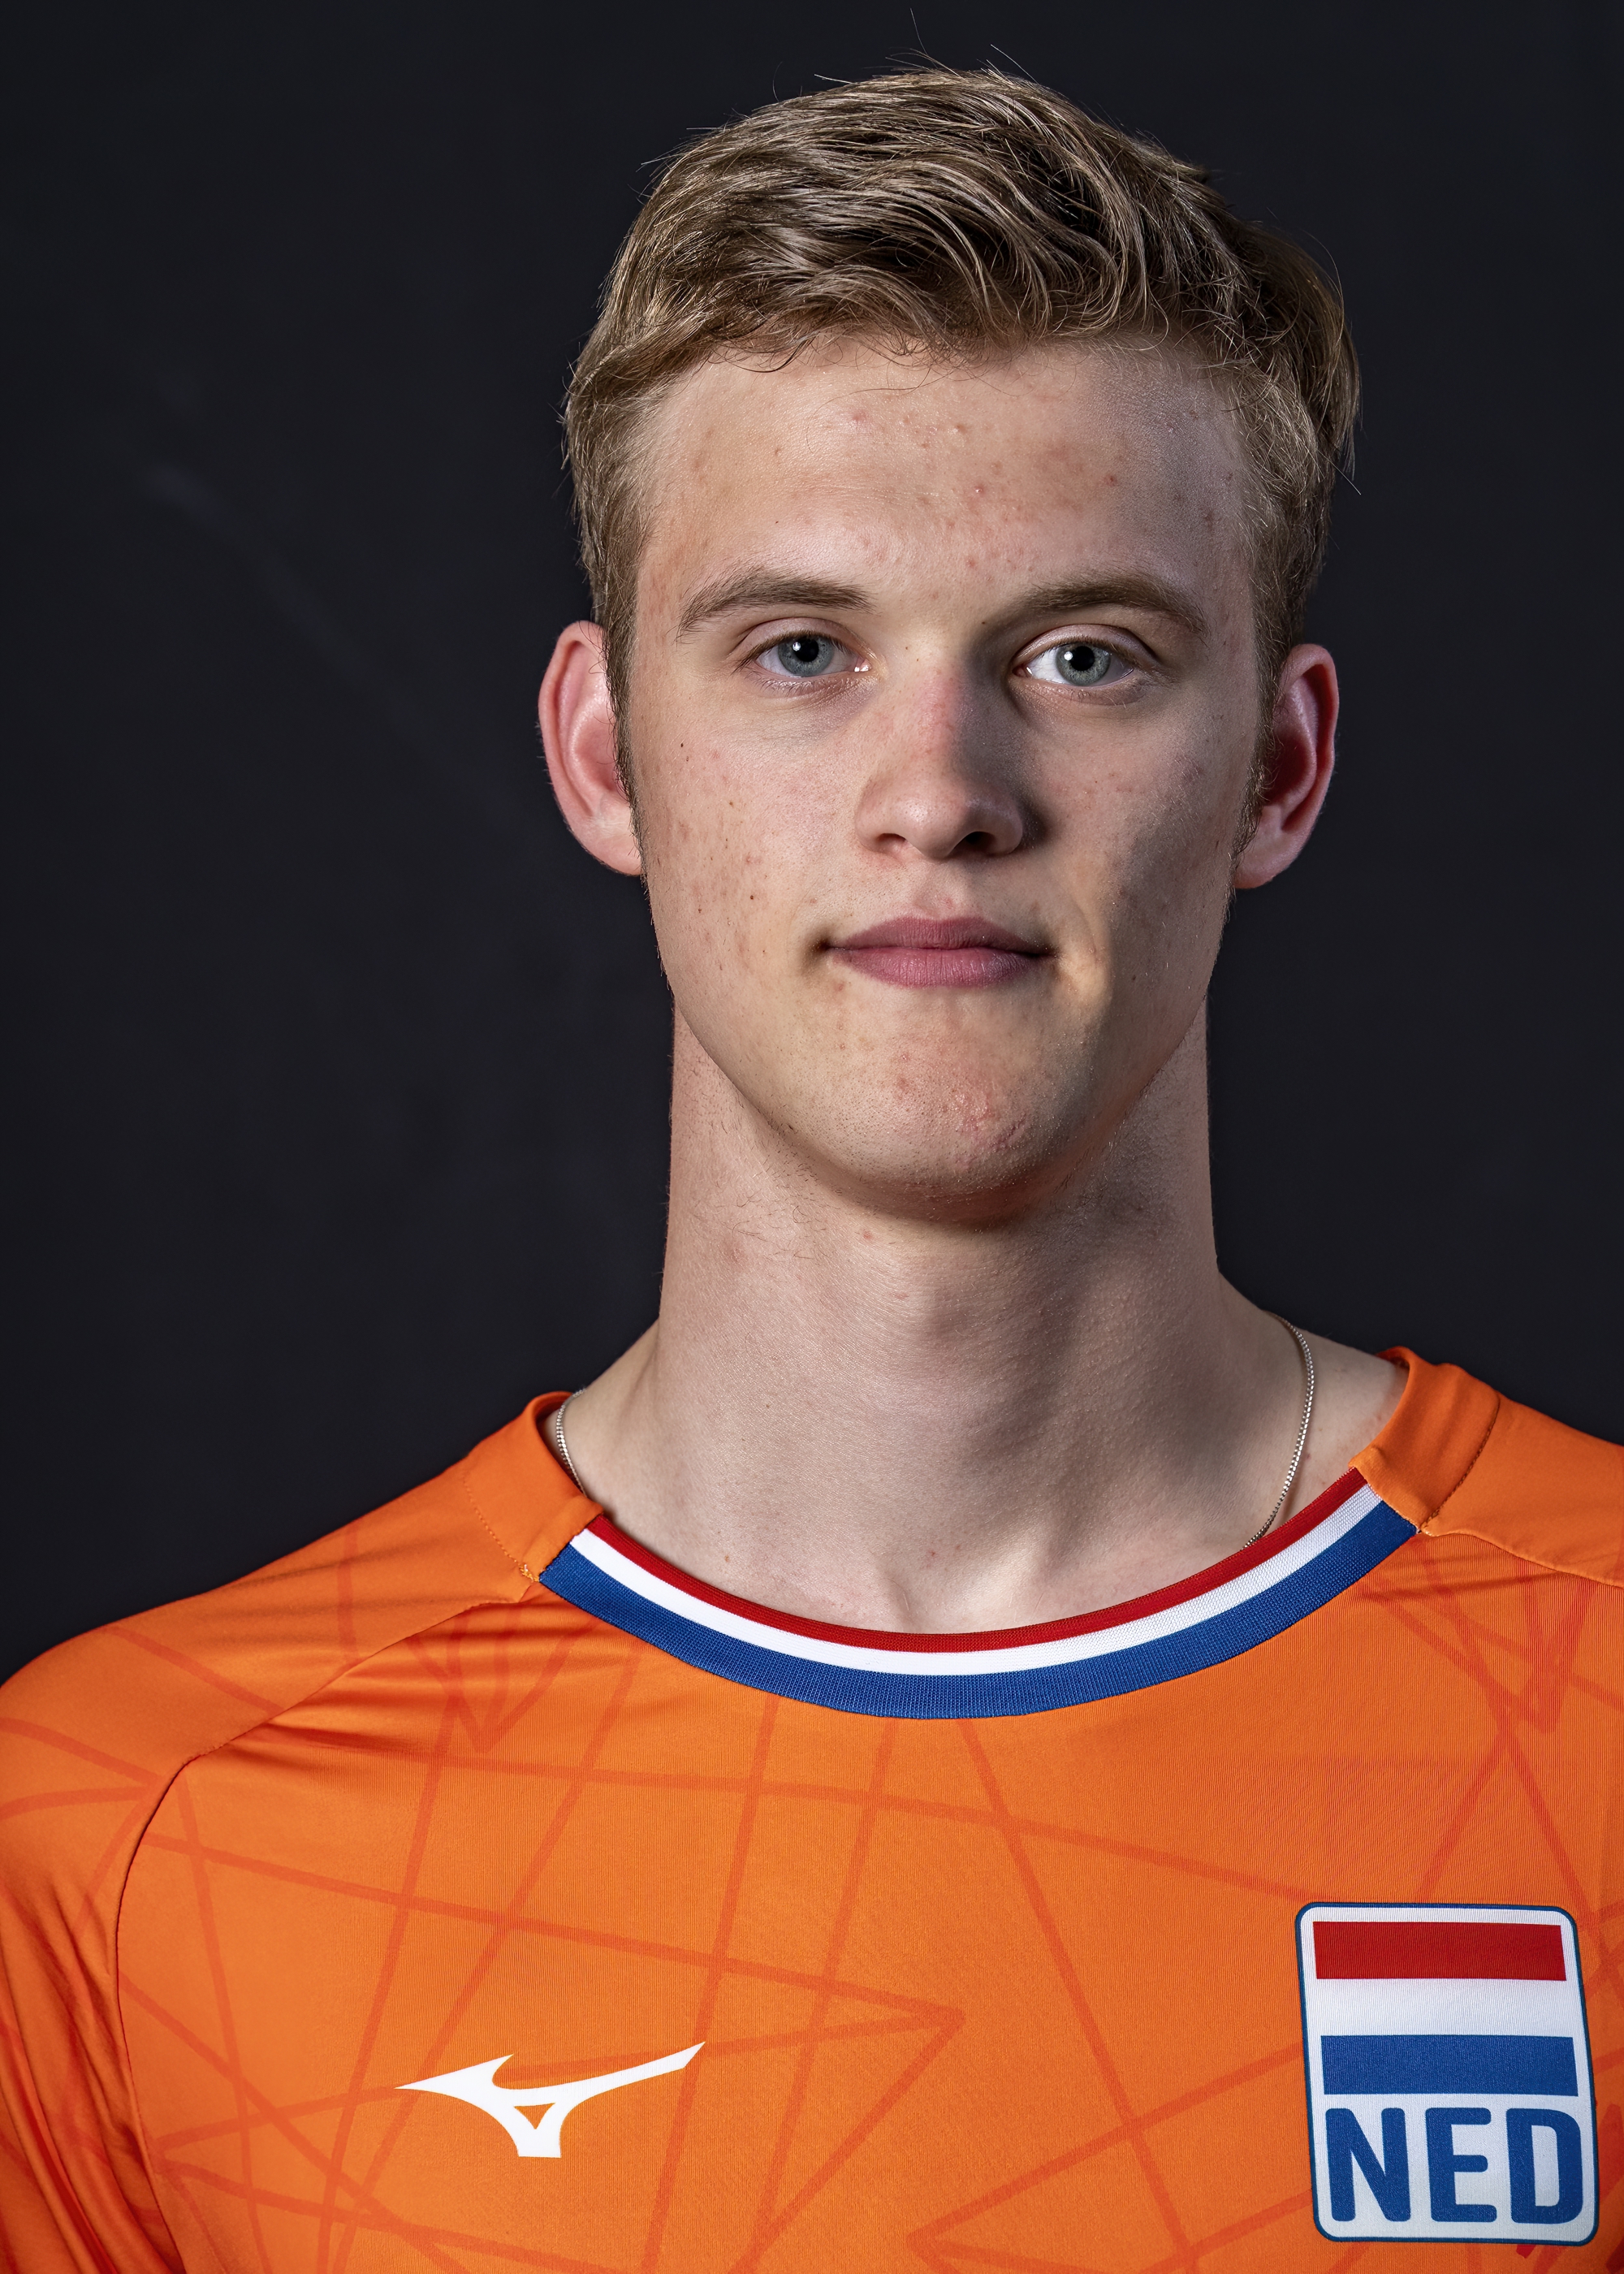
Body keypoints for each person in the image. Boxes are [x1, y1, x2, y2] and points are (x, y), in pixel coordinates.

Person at [1, 68, 1618, 2274]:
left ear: (1279, 766)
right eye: (800, 653)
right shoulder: (123, 1828)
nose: (939, 790)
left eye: (1085, 656)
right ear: (606, 756)